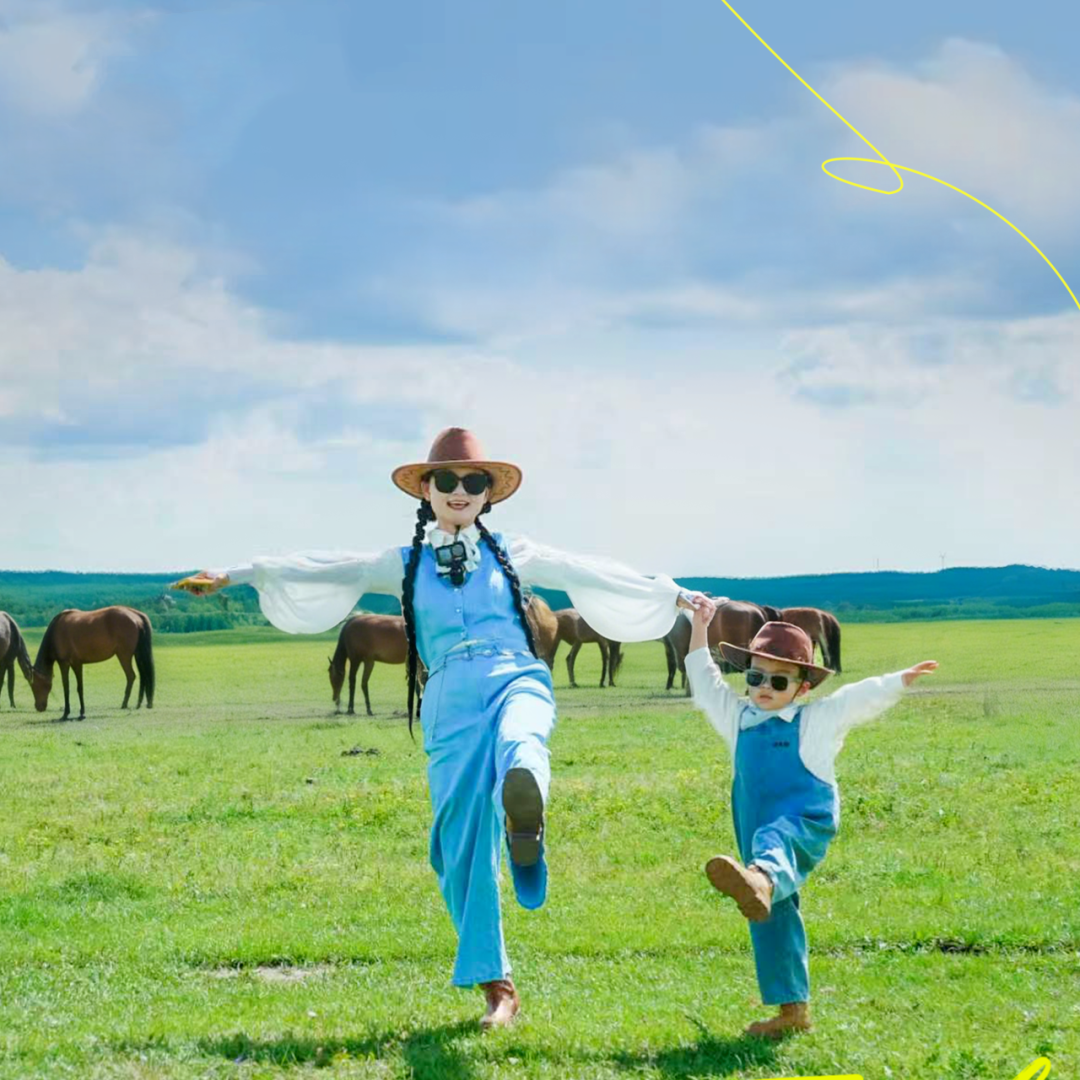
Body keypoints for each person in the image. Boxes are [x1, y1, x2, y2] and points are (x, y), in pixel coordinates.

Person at [174, 427, 707, 1030]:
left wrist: (673, 593)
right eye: (447, 480)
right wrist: (234, 573)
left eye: (473, 481)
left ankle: (524, 816)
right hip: (448, 697)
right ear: (425, 489)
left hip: (514, 673)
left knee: (523, 740)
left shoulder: (513, 550)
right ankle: (498, 984)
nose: (460, 490)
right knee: (455, 843)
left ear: (488, 494)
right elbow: (325, 566)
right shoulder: (403, 562)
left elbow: (590, 568)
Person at [684, 597, 938, 1039]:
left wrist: (900, 680)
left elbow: (855, 700)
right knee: (769, 915)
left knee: (773, 847)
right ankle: (792, 1011)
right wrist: (700, 625)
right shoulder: (738, 718)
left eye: (777, 680)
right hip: (754, 832)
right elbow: (704, 680)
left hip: (805, 821)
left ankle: (761, 879)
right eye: (755, 676)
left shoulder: (814, 720)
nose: (763, 687)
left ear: (802, 687)